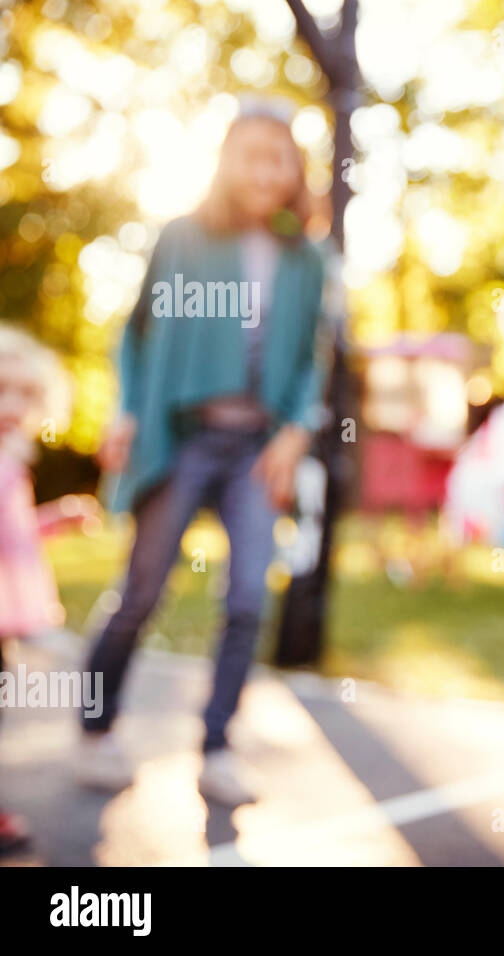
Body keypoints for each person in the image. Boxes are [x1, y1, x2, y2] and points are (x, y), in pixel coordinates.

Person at [84, 101, 331, 806]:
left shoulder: (306, 256)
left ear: (294, 171)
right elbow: (134, 333)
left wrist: (295, 429)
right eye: (249, 155)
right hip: (183, 437)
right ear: (225, 163)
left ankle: (217, 745)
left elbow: (314, 355)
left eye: (278, 157)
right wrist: (127, 408)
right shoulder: (184, 237)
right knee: (141, 591)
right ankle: (97, 729)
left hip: (256, 448)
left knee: (249, 596)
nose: (264, 169)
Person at [0, 325, 66, 854]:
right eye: (3, 389)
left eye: (27, 392)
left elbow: (14, 538)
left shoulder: (12, 462)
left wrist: (56, 519)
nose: (15, 404)